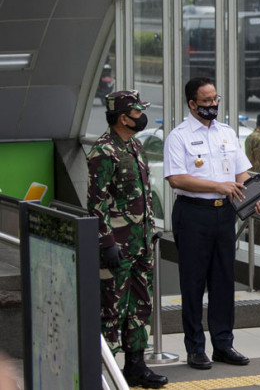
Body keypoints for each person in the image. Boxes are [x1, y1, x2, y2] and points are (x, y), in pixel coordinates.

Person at [164, 77, 260, 370]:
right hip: (193, 214)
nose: (213, 105)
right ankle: (196, 348)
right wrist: (218, 186)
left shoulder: (226, 133)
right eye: (206, 101)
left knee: (223, 282)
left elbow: (241, 175)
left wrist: (255, 198)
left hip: (224, 214)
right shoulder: (179, 136)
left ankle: (223, 344)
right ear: (192, 104)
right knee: (194, 283)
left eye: (215, 99)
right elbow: (176, 178)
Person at [86, 89, 168, 388]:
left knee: (140, 307)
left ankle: (135, 366)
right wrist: (106, 243)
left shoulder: (132, 145)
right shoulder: (103, 152)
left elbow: (141, 196)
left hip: (140, 243)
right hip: (117, 248)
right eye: (137, 112)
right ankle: (103, 374)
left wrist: (149, 228)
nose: (142, 117)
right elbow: (96, 204)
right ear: (123, 118)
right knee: (111, 309)